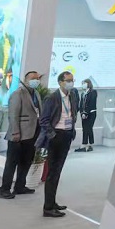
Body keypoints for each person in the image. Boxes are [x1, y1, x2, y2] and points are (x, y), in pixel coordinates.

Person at [36, 71, 78, 218]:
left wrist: (71, 130)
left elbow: (73, 114)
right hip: (56, 136)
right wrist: (52, 135)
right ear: (60, 82)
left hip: (67, 135)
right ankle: (48, 208)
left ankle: (52, 202)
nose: (71, 83)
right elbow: (43, 120)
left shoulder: (73, 96)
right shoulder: (52, 97)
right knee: (52, 172)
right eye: (68, 80)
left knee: (57, 171)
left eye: (72, 80)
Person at [0, 70, 42, 199]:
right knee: (12, 163)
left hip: (32, 134)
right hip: (18, 135)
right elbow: (13, 115)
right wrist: (15, 132)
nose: (36, 80)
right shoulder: (18, 94)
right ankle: (4, 189)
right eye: (33, 78)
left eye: (37, 78)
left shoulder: (36, 93)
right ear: (26, 80)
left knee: (26, 161)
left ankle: (20, 186)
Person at [75, 79, 98, 153]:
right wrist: (82, 113)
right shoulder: (83, 93)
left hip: (91, 113)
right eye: (82, 83)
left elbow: (92, 103)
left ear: (88, 83)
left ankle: (89, 144)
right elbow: (81, 104)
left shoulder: (93, 92)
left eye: (84, 83)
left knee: (88, 128)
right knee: (84, 129)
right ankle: (85, 144)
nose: (83, 84)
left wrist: (86, 113)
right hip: (83, 114)